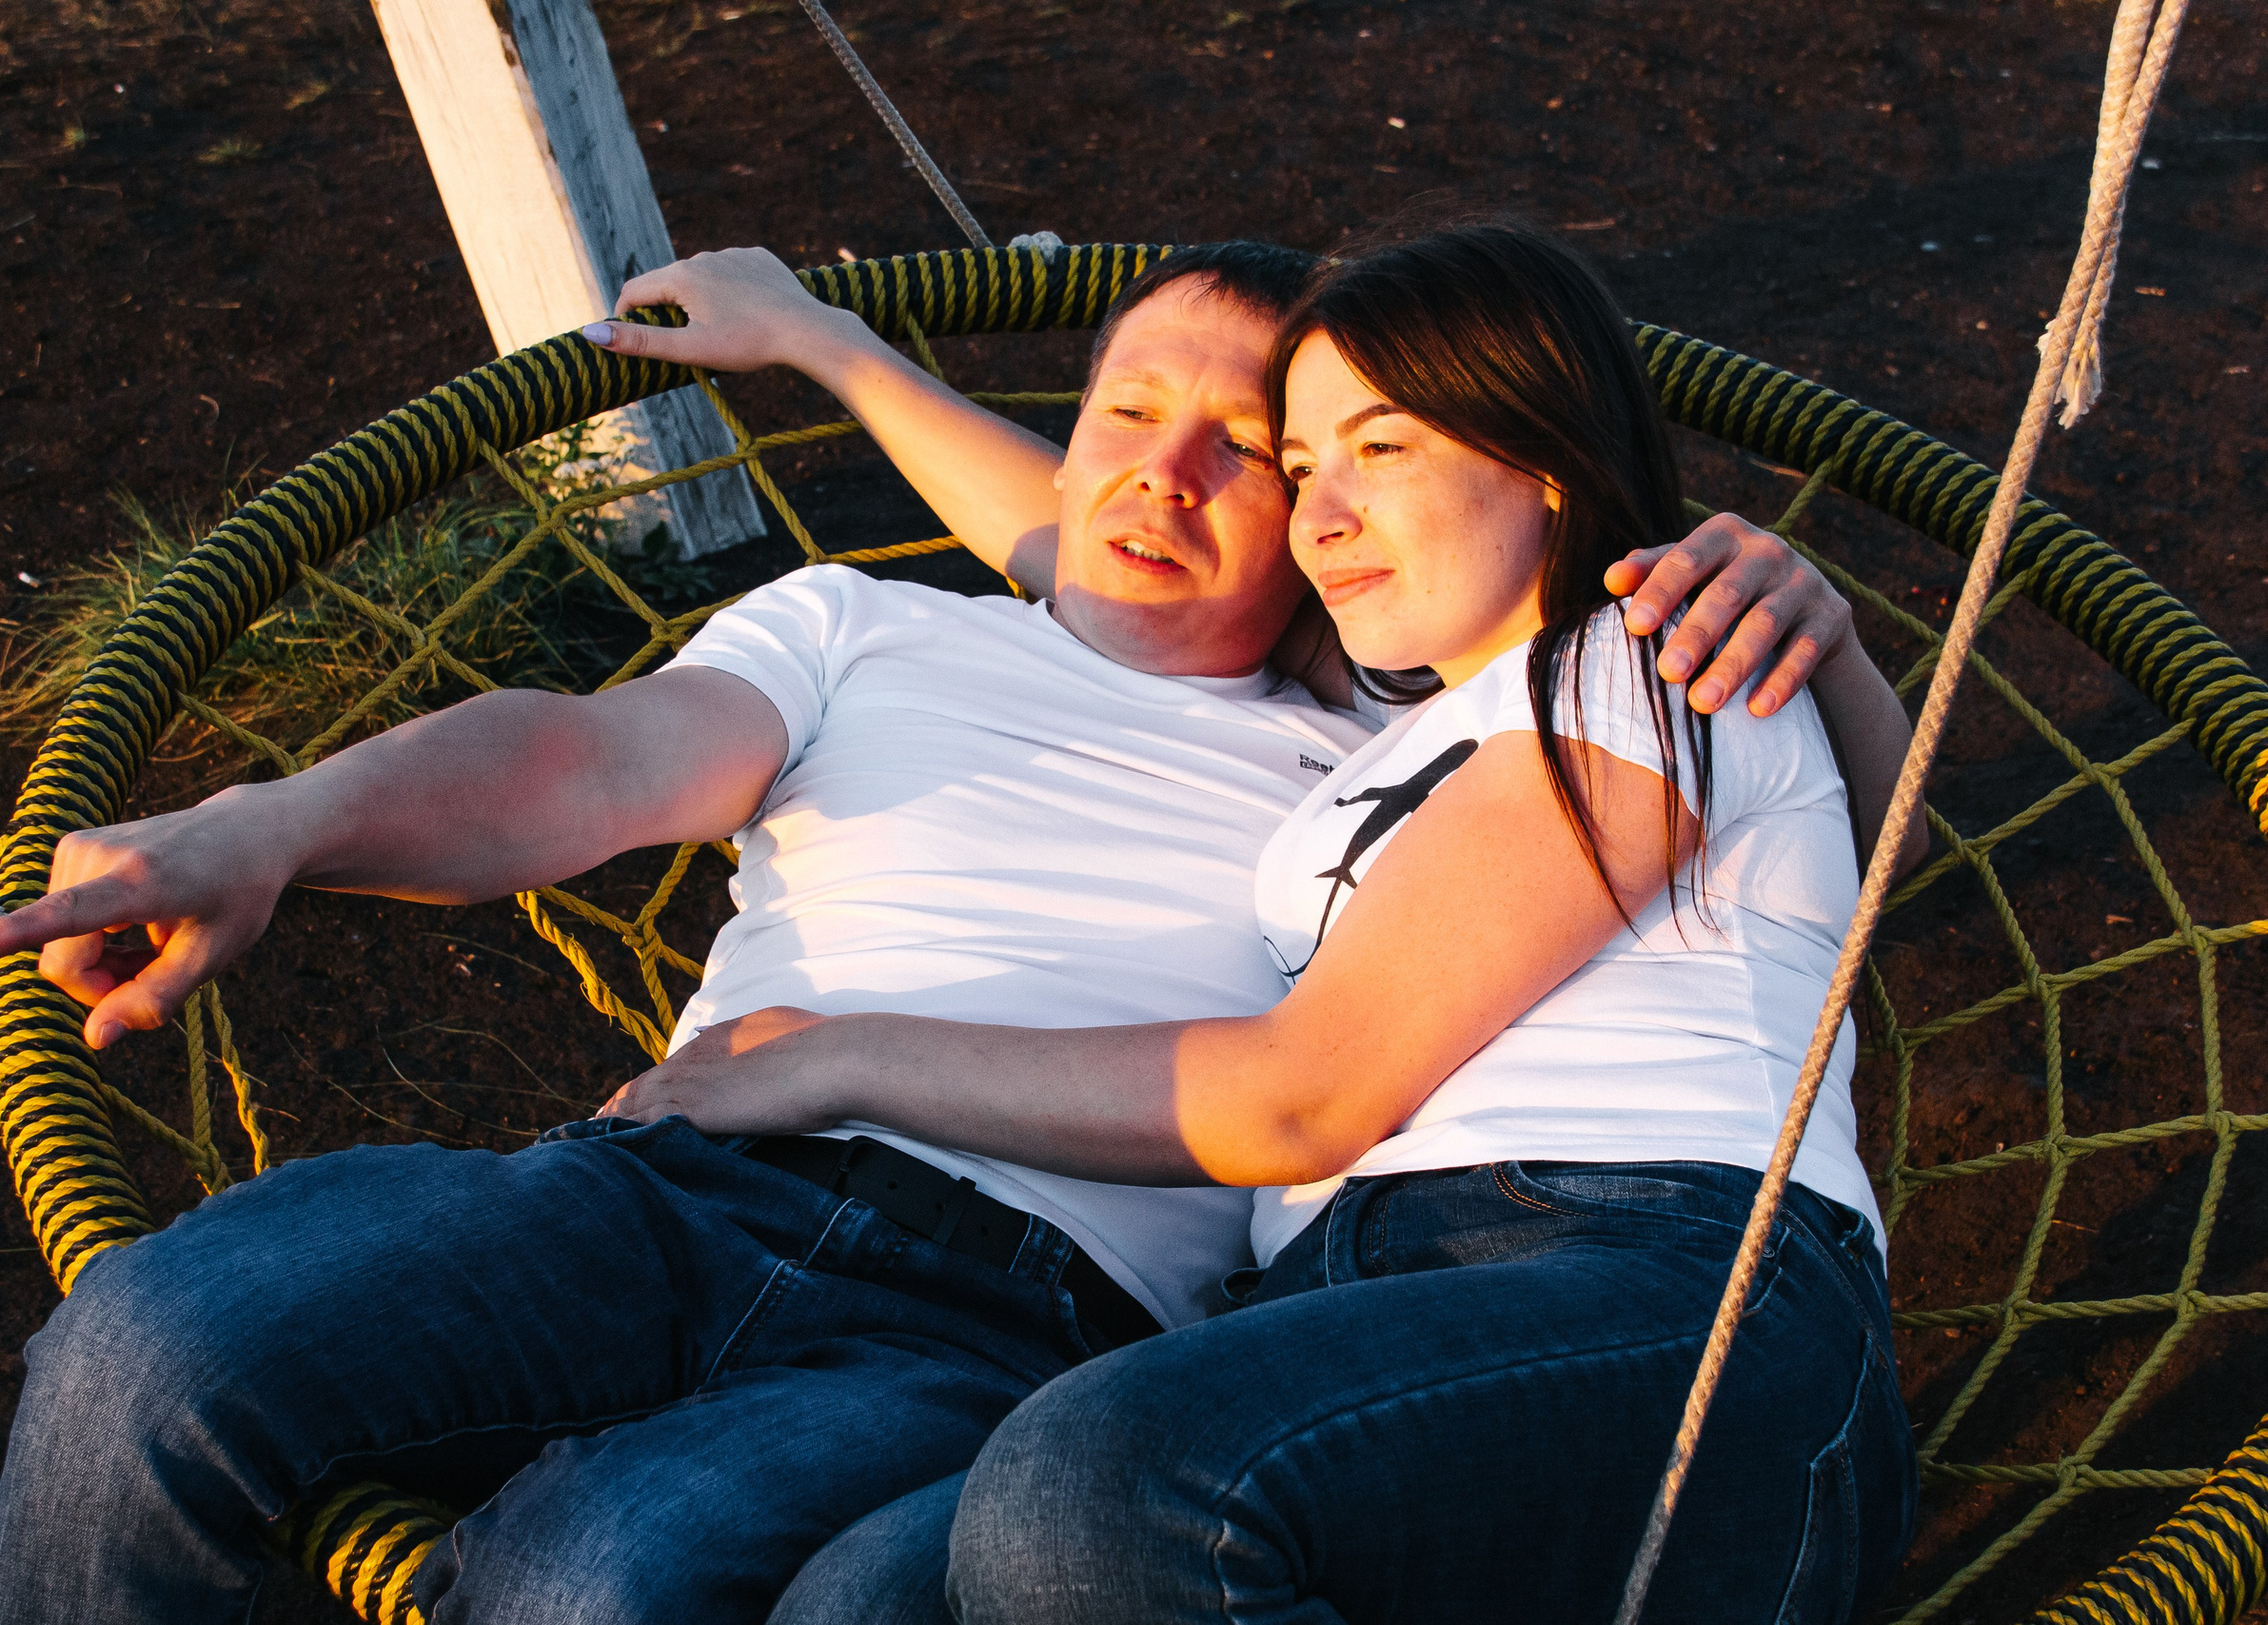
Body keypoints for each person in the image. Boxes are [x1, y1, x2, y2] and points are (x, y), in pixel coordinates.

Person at [0, 237, 1906, 1625]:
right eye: (1125, 412)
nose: (1172, 473)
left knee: (592, 1583)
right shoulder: (860, 627)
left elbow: (1806, 829)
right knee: (151, 1345)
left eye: (1263, 452)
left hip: (1015, 1325)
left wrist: (1808, 624)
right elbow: (575, 761)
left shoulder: (1393, 729)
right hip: (671, 1185)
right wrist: (269, 826)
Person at [628, 226, 1923, 1625]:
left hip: (1653, 1275)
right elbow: (1107, 538)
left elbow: (1300, 1096)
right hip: (1345, 1308)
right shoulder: (1396, 720)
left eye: (1381, 448)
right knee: (864, 1601)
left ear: (1543, 454)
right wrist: (822, 342)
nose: (1322, 517)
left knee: (1090, 1486)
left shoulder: (1657, 652)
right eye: (1300, 469)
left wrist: (834, 1057)